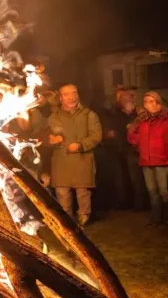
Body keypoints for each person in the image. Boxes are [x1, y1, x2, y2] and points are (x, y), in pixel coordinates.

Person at [47, 84, 102, 226]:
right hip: (62, 160)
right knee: (62, 193)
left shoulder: (89, 115)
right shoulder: (55, 116)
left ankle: (83, 220)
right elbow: (56, 129)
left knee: (83, 193)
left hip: (82, 159)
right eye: (66, 94)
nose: (71, 97)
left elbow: (96, 136)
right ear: (61, 98)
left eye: (74, 93)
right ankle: (68, 224)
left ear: (78, 95)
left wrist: (80, 145)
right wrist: (57, 138)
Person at [127, 90, 168, 227]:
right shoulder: (142, 120)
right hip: (146, 160)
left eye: (152, 101)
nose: (148, 104)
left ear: (159, 103)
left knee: (164, 191)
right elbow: (134, 139)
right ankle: (156, 218)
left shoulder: (165, 119)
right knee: (152, 191)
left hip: (163, 160)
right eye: (146, 101)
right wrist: (132, 132)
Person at [107, 89, 148, 211]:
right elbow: (113, 128)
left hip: (134, 150)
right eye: (123, 100)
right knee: (123, 179)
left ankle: (140, 204)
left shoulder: (139, 114)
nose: (126, 102)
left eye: (128, 99)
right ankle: (125, 202)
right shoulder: (116, 114)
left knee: (136, 179)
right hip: (120, 150)